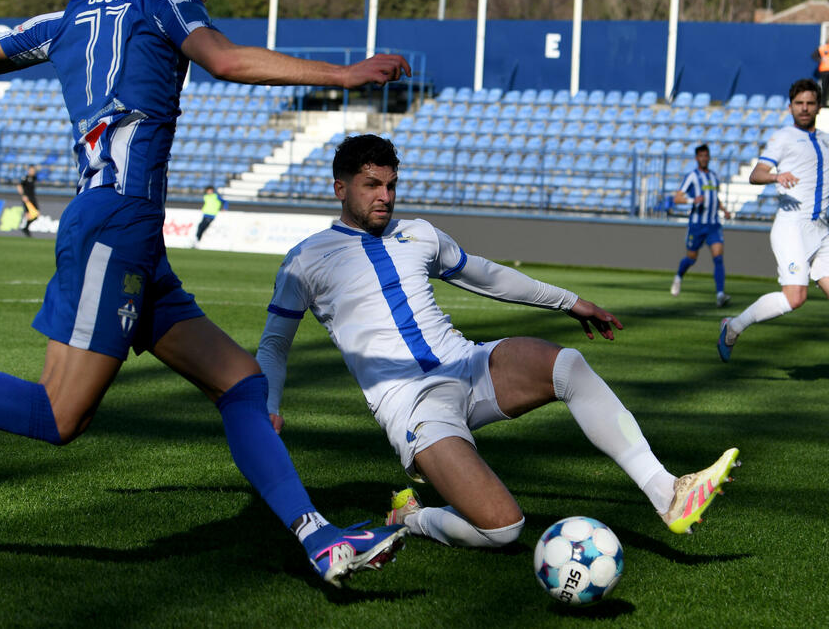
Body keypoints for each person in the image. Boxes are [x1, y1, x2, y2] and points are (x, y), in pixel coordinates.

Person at [0, 0, 412, 587]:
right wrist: (344, 75)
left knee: (242, 382)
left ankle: (319, 540)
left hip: (127, 233)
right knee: (57, 413)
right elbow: (223, 59)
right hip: (117, 223)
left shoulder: (67, 16)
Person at [257, 134, 739, 550]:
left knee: (566, 366)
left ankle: (667, 492)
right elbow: (275, 344)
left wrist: (569, 302)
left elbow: (487, 275)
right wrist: (269, 404)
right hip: (414, 408)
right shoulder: (305, 261)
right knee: (504, 528)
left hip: (466, 364)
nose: (385, 196)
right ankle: (414, 518)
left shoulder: (418, 233)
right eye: (371, 186)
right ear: (340, 188)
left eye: (391, 185)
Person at [718, 78, 829, 362]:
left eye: (810, 103)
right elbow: (757, 173)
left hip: (821, 230)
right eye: (799, 104)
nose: (804, 109)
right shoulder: (783, 138)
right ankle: (733, 327)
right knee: (795, 298)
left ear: (818, 106)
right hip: (792, 227)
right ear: (790, 106)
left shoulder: (825, 140)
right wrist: (776, 176)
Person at [669, 144, 732, 307]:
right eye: (701, 156)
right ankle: (678, 277)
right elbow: (677, 198)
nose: (704, 158)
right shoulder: (692, 176)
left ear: (709, 157)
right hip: (697, 225)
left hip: (713, 225)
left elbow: (714, 197)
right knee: (691, 258)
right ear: (697, 158)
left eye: (706, 155)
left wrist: (723, 209)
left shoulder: (713, 176)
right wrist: (692, 200)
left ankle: (720, 294)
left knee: (718, 257)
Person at [17, 164, 41, 237]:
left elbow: (40, 175)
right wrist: (23, 195)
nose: (32, 172)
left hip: (33, 198)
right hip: (27, 198)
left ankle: (25, 227)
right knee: (28, 214)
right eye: (31, 170)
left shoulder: (34, 178)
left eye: (33, 170)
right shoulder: (25, 178)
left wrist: (39, 168)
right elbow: (19, 186)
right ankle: (24, 228)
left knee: (37, 214)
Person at [810, 41, 829, 106]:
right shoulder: (822, 48)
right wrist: (821, 60)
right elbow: (813, 56)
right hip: (824, 71)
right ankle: (823, 103)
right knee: (824, 88)